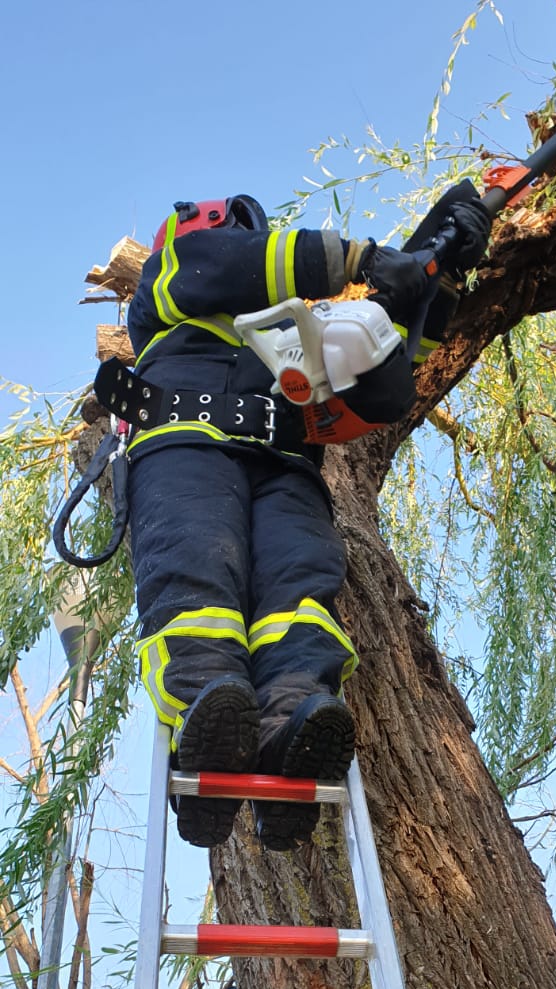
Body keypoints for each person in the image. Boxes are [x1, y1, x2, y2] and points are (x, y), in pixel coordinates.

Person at [124, 189, 491, 848]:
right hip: (185, 446)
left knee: (299, 582)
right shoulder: (170, 282)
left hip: (287, 465)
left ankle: (289, 718)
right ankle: (204, 703)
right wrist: (359, 258)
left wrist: (436, 277)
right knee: (196, 567)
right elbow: (236, 263)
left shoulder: (295, 328)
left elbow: (379, 359)